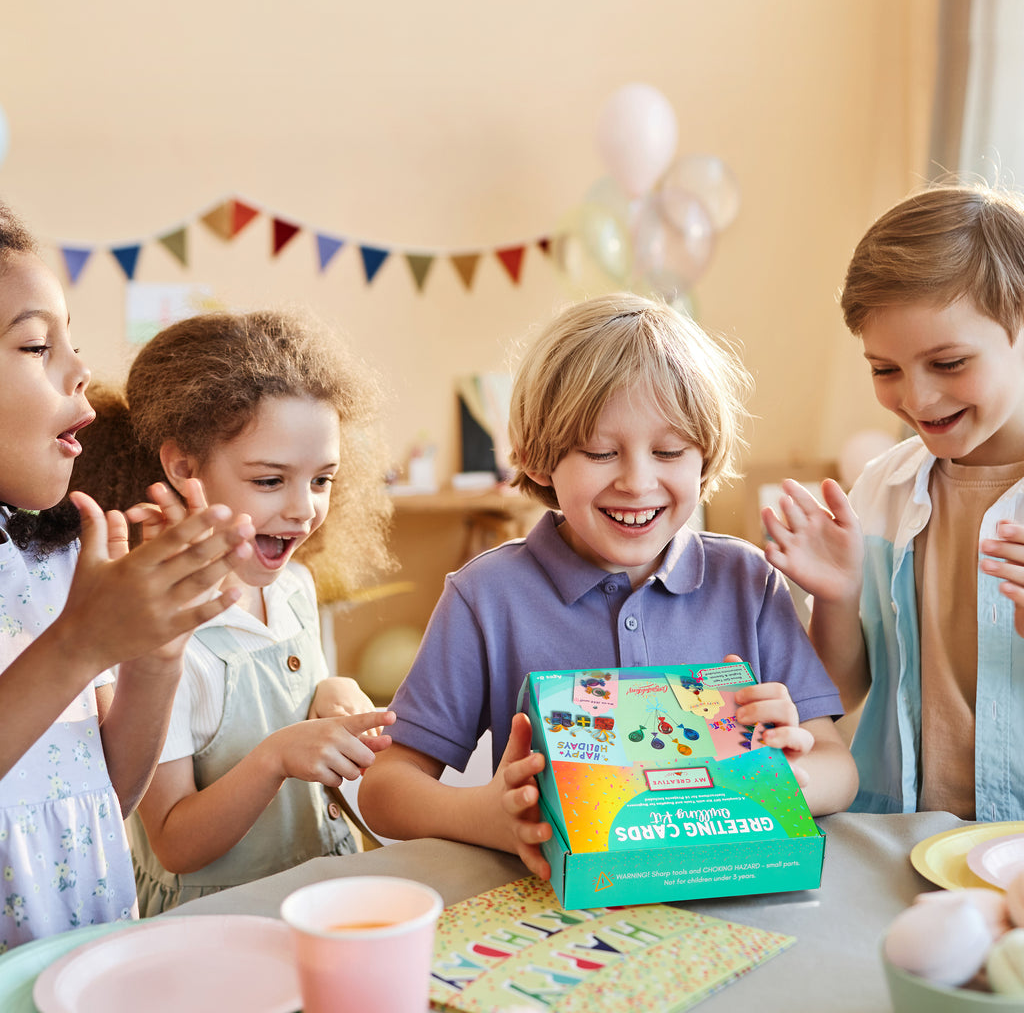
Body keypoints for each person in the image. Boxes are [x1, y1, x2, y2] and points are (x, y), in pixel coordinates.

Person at [359, 293, 859, 878]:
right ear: (539, 460)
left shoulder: (748, 582)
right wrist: (482, 814)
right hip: (552, 911)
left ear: (704, 460)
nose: (637, 481)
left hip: (728, 897)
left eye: (670, 451)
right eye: (600, 452)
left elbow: (838, 767)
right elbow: (385, 789)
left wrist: (790, 775)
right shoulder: (485, 597)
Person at [73, 309, 397, 915]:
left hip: (324, 891)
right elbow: (172, 840)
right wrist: (276, 756)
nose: (304, 509)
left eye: (323, 480)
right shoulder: (154, 633)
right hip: (221, 921)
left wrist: (332, 688)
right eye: (271, 480)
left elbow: (301, 692)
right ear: (184, 468)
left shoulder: (294, 585)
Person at [0, 201, 257, 949]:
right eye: (35, 346)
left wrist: (154, 654)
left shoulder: (53, 560)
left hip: (82, 954)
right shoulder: (69, 610)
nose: (82, 371)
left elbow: (106, 795)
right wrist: (80, 643)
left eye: (70, 341)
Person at [761, 182, 1024, 821]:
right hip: (902, 834)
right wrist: (840, 594)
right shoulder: (882, 490)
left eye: (950, 362)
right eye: (885, 370)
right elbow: (843, 689)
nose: (920, 399)